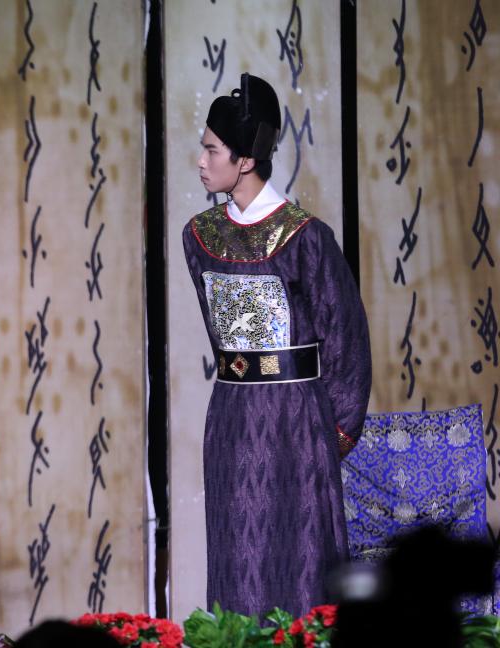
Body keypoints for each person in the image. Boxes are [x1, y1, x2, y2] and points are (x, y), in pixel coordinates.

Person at [182, 74, 371, 615]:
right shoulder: (198, 237)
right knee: (235, 560)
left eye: (212, 150)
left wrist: (330, 434)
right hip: (231, 418)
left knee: (302, 561)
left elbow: (347, 342)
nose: (201, 160)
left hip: (297, 423)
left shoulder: (307, 238)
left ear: (245, 160)